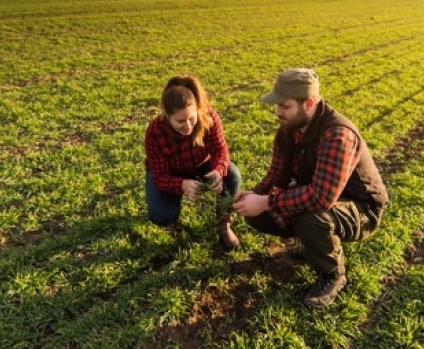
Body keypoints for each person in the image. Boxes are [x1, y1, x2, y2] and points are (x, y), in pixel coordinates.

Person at [233, 68, 388, 308]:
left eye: (285, 106)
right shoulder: (288, 131)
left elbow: (320, 197)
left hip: (361, 208)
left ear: (310, 103)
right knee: (260, 215)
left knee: (310, 216)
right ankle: (313, 245)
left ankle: (333, 275)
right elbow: (277, 175)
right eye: (277, 106)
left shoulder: (338, 135)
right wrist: (254, 196)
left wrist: (267, 201)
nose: (278, 112)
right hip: (322, 197)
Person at [144, 75, 241, 250]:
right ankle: (170, 222)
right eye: (180, 121)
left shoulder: (209, 117)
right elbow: (159, 176)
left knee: (232, 175)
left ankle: (223, 224)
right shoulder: (155, 131)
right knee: (161, 215)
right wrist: (181, 185)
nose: (188, 127)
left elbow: (221, 150)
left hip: (200, 165)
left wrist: (218, 171)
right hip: (170, 172)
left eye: (192, 118)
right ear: (167, 115)